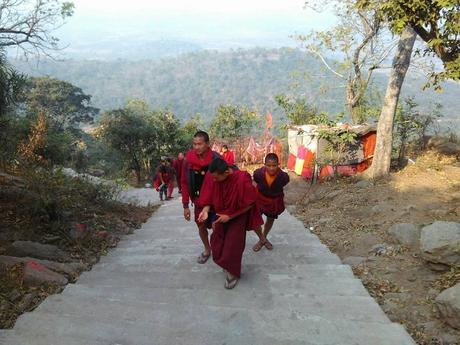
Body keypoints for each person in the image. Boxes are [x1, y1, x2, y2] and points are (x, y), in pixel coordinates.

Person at [198, 158, 263, 289]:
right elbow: (209, 196)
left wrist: (230, 216)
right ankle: (227, 264)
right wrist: (205, 210)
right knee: (217, 243)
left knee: (232, 247)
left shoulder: (241, 179)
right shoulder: (214, 177)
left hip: (238, 216)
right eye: (213, 178)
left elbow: (250, 203)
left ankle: (232, 273)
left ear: (227, 172)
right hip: (220, 214)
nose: (214, 181)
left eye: (216, 178)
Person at [181, 131, 221, 264]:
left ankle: (219, 249)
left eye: (200, 144)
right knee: (201, 226)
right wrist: (186, 205)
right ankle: (207, 249)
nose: (196, 147)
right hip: (198, 200)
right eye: (194, 144)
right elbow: (184, 183)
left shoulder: (216, 158)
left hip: (216, 201)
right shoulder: (188, 161)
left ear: (207, 144)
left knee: (218, 226)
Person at [252, 153, 290, 251]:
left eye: (274, 165)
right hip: (260, 199)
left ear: (279, 164)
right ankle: (262, 239)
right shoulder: (258, 173)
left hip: (274, 201)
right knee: (255, 220)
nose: (272, 168)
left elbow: (284, 183)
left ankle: (263, 238)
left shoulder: (284, 177)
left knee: (270, 219)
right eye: (269, 165)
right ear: (264, 164)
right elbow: (256, 180)